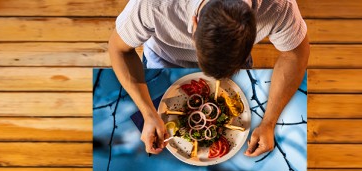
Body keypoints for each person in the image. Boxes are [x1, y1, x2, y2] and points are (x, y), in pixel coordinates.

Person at [109, 0, 310, 156]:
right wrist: (148, 113)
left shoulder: (278, 6)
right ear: (194, 23)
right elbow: (118, 49)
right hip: (164, 60)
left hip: (237, 68)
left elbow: (295, 54)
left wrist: (269, 122)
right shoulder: (152, 5)